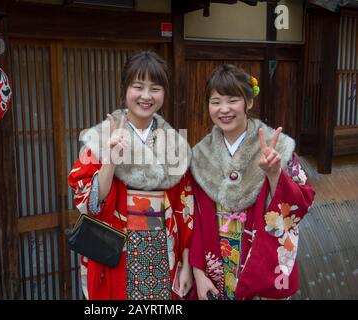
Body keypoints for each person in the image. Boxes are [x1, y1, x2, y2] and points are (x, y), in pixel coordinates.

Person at [68, 51, 194, 300]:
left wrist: (186, 264)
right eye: (138, 86)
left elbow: (185, 209)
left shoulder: (175, 145)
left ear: (163, 93)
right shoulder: (101, 138)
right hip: (118, 248)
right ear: (125, 89)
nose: (146, 96)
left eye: (155, 88)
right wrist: (111, 160)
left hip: (163, 250)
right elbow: (90, 204)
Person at [189, 64, 316, 300]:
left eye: (232, 100)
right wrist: (197, 270)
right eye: (216, 102)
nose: (224, 109)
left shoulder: (276, 148)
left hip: (261, 265)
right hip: (215, 269)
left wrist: (275, 174)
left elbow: (302, 202)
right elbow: (193, 218)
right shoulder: (200, 156)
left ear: (248, 102)